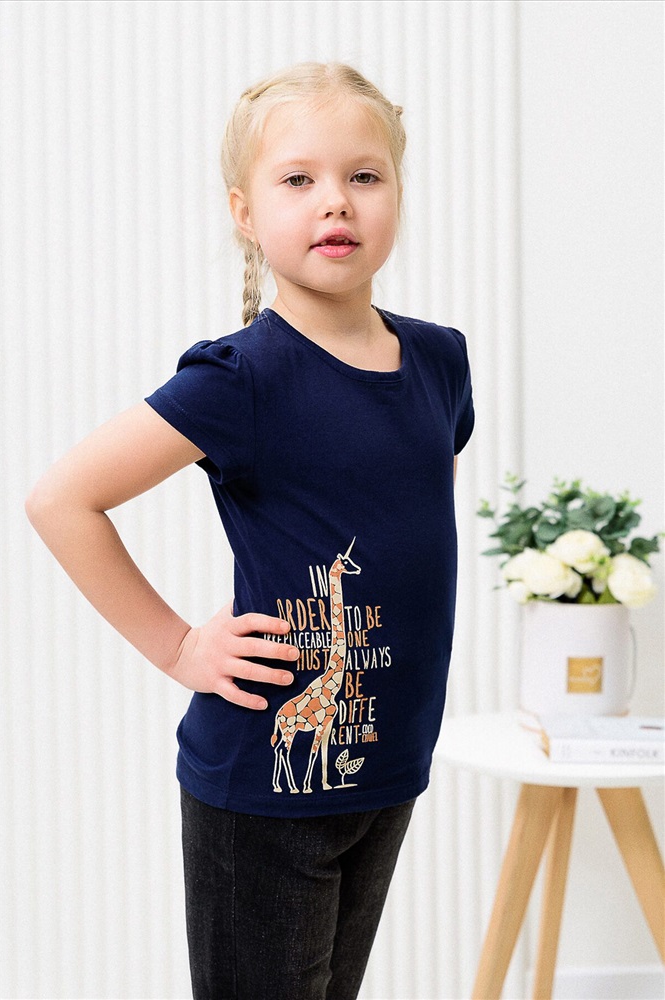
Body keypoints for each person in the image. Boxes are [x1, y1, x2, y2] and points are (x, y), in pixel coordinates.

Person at [26, 62, 474, 1000]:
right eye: (297, 179)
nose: (334, 201)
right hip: (264, 783)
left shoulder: (438, 360)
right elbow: (62, 500)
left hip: (385, 763)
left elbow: (407, 522)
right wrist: (179, 646)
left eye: (363, 175)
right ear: (244, 211)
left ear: (396, 193)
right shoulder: (241, 379)